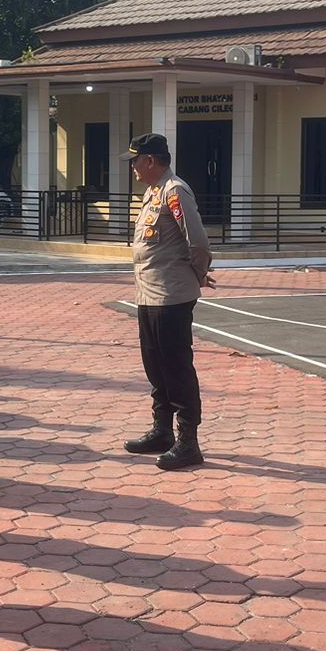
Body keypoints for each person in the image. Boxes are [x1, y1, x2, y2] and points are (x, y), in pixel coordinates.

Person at [121, 133, 213, 472]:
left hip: (170, 296)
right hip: (149, 294)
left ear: (150, 160)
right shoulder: (153, 191)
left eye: (135, 161)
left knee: (176, 367)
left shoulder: (175, 191)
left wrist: (198, 274)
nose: (132, 167)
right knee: (155, 365)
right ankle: (162, 431)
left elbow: (198, 242)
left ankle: (188, 441)